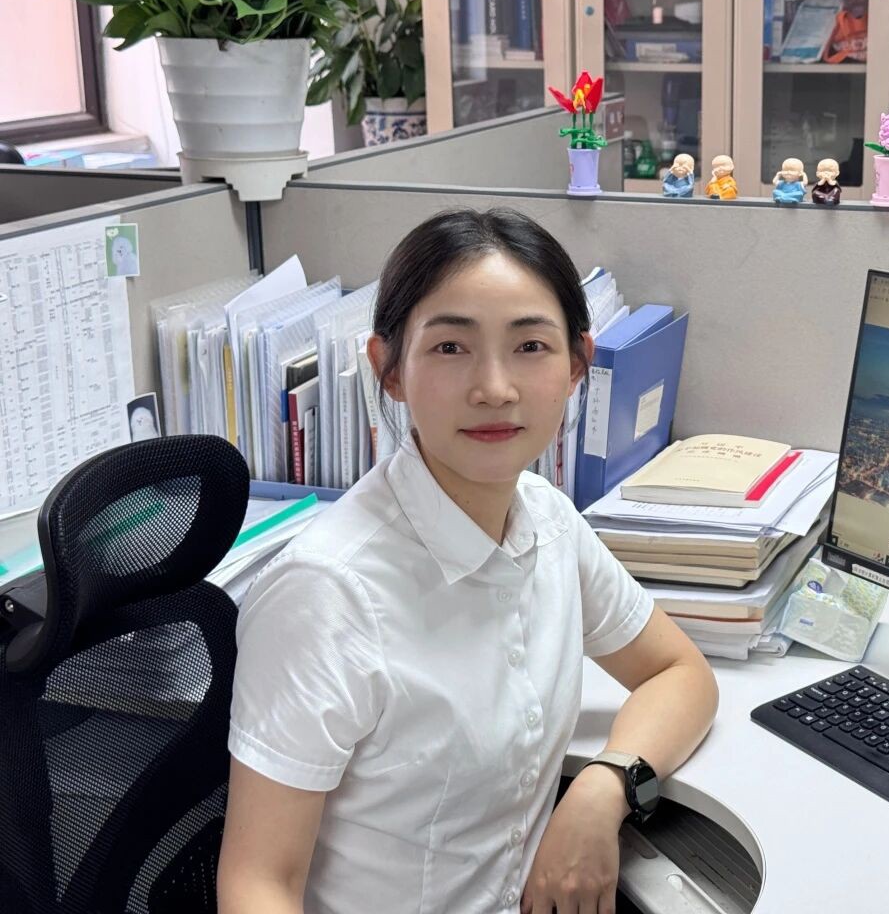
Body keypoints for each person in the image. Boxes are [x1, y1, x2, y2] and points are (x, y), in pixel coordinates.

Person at [217, 208, 719, 914]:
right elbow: (256, 886)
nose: (494, 388)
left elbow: (680, 673)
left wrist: (603, 789)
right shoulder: (327, 593)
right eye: (451, 347)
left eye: (531, 346)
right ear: (388, 369)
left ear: (578, 365)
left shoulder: (547, 519)